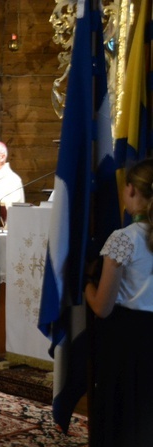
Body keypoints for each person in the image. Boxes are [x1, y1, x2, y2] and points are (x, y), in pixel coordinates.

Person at [84, 158, 153, 447]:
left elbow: (102, 306)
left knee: (122, 411)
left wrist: (86, 286)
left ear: (132, 191)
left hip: (126, 338)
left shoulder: (124, 239)